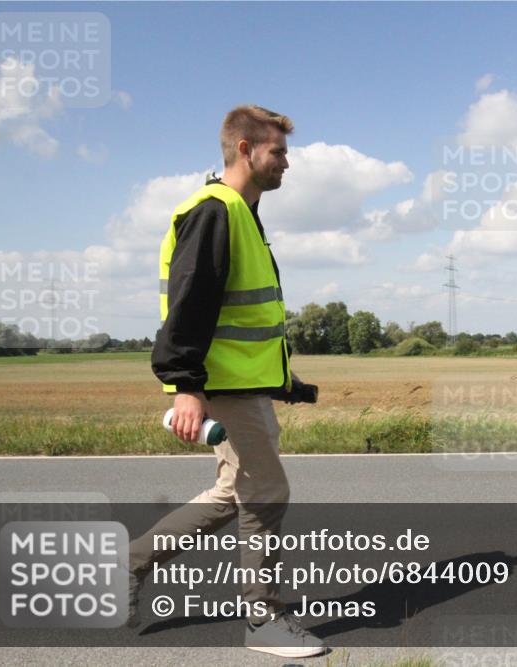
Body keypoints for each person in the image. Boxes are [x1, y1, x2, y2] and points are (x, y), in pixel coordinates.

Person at [128, 105, 325, 659]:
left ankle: (128, 565)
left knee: (230, 493)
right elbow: (190, 306)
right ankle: (264, 619)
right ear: (245, 149)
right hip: (222, 390)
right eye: (278, 152)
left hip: (242, 387)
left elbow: (243, 319)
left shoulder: (241, 212)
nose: (286, 163)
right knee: (266, 492)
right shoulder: (216, 212)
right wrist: (184, 384)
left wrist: (286, 382)